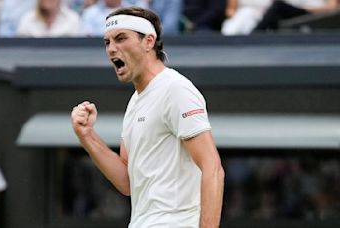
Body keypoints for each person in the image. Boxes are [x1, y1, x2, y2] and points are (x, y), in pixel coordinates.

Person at [71, 7, 225, 227]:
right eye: (107, 42)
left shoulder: (176, 89)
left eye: (121, 39)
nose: (112, 49)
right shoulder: (135, 102)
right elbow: (127, 182)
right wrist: (87, 136)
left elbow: (213, 168)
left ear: (148, 41)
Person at [254, 0, 339, 31]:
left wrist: (305, 9)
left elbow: (332, 8)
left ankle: (254, 36)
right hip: (296, 13)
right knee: (275, 14)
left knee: (278, 5)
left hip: (312, 15)